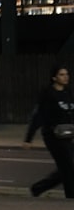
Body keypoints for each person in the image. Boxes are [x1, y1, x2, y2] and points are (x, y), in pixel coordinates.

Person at [23, 64, 74, 198]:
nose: (65, 77)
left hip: (68, 134)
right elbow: (38, 116)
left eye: (66, 74)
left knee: (66, 167)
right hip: (53, 136)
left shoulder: (68, 92)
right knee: (69, 167)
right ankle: (70, 196)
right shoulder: (48, 93)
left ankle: (38, 188)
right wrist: (29, 138)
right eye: (62, 74)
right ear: (54, 77)